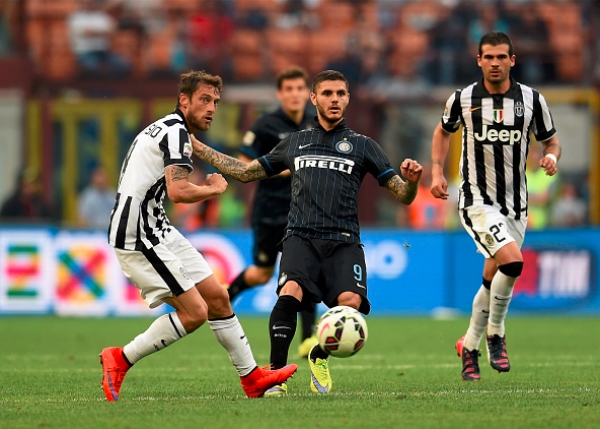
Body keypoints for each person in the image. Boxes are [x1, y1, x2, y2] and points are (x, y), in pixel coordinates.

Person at [191, 70, 423, 396]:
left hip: (344, 242)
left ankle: (319, 353)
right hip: (300, 237)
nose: (334, 99)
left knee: (351, 303)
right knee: (290, 294)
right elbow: (245, 172)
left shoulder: (364, 146)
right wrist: (198, 148)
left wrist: (411, 182)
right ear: (314, 98)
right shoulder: (296, 142)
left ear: (347, 99)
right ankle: (274, 377)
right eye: (326, 93)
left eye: (340, 93)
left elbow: (402, 194)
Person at [100, 70, 297, 402]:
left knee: (219, 298)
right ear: (184, 100)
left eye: (216, 102)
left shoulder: (172, 129)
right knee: (195, 313)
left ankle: (251, 380)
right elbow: (177, 192)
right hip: (137, 234)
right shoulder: (176, 134)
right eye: (204, 100)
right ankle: (121, 358)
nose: (211, 108)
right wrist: (210, 189)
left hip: (157, 227)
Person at [430, 31, 562, 381]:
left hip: (516, 205)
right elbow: (443, 131)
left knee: (493, 276)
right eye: (488, 57)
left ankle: (469, 346)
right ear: (479, 60)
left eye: (501, 57)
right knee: (513, 262)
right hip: (477, 200)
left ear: (512, 60)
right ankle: (496, 333)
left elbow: (552, 140)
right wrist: (437, 171)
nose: (494, 62)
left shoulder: (533, 100)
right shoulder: (463, 98)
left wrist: (551, 155)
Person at [227, 66, 319, 359]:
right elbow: (243, 165)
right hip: (269, 212)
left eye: (299, 89)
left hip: (302, 213)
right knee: (262, 274)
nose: (295, 94)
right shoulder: (265, 125)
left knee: (305, 274)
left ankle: (307, 340)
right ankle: (224, 298)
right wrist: (284, 169)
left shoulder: (316, 124)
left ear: (308, 94)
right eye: (288, 89)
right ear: (280, 94)